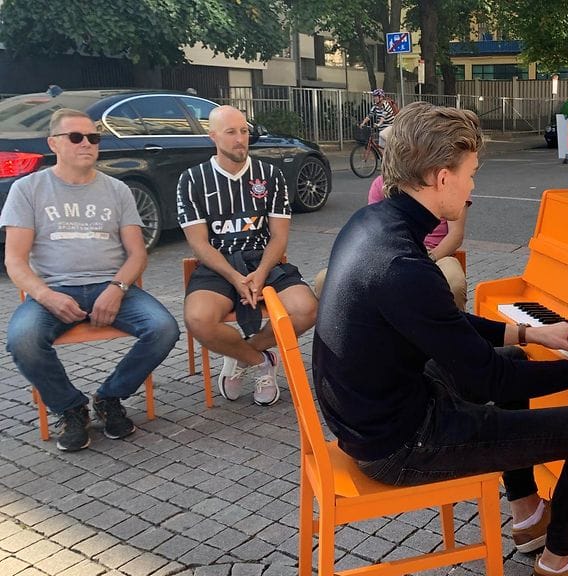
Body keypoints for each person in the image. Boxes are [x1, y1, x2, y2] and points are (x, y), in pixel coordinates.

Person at [314, 101, 568, 576]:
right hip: (398, 445)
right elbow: (491, 379)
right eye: (470, 174)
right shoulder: (402, 265)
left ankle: (529, 516)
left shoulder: (375, 224)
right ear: (440, 177)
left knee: (514, 353)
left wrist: (529, 331)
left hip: (371, 414)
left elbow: (440, 324)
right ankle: (562, 561)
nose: (473, 189)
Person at [1, 108, 179, 452]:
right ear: (53, 143)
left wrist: (117, 288)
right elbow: (15, 261)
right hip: (53, 289)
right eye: (76, 137)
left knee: (164, 328)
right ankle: (69, 408)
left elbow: (137, 254)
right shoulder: (28, 189)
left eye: (93, 137)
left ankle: (110, 397)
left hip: (111, 286)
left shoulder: (117, 189)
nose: (87, 144)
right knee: (22, 340)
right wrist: (47, 296)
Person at [177, 105, 318, 407]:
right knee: (198, 319)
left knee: (307, 309)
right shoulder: (191, 179)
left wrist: (262, 272)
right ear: (212, 136)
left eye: (244, 131)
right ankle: (260, 360)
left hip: (262, 259)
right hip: (218, 264)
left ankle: (242, 354)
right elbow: (200, 245)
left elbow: (279, 236)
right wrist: (235, 277)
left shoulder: (271, 175)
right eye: (231, 132)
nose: (240, 139)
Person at [312, 175, 469, 312]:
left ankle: (455, 336)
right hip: (391, 253)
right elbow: (375, 232)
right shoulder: (381, 184)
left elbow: (455, 235)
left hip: (436, 254)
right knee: (324, 279)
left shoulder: (448, 182)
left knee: (453, 281)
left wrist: (430, 258)